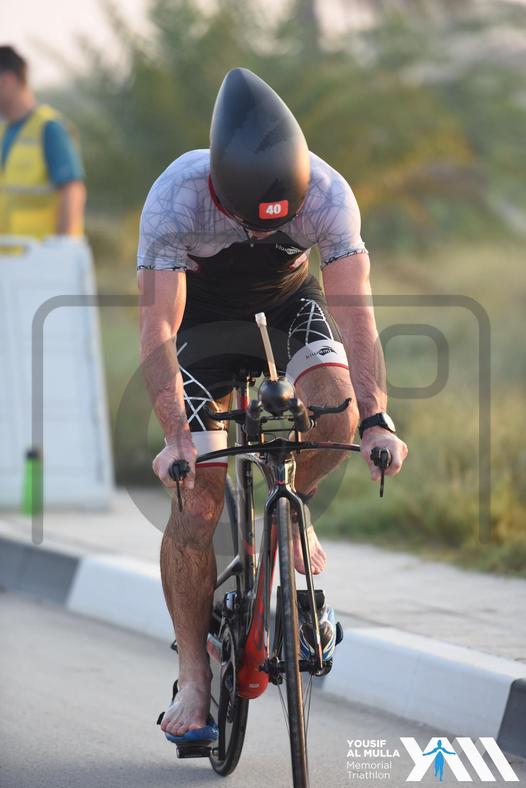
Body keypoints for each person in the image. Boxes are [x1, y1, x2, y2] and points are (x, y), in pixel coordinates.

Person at [137, 67, 408, 743]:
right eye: (247, 225)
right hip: (200, 322)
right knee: (197, 499)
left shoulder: (328, 194)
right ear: (217, 190)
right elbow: (159, 327)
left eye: (278, 224)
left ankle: (292, 511)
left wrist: (377, 420)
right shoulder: (176, 196)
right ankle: (194, 676)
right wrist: (177, 438)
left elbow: (357, 317)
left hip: (288, 306)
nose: (262, 236)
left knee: (338, 413)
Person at [0, 45, 86, 239]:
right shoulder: (3, 131)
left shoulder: (50, 129)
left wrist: (60, 248)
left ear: (7, 81)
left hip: (41, 253)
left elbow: (72, 192)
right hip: (7, 254)